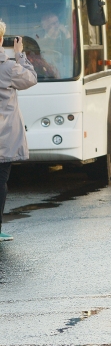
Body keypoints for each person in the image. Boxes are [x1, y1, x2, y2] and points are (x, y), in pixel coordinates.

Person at [0, 21, 38, 242]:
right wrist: (20, 54)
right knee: (1, 180)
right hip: (4, 135)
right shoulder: (8, 67)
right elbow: (31, 78)